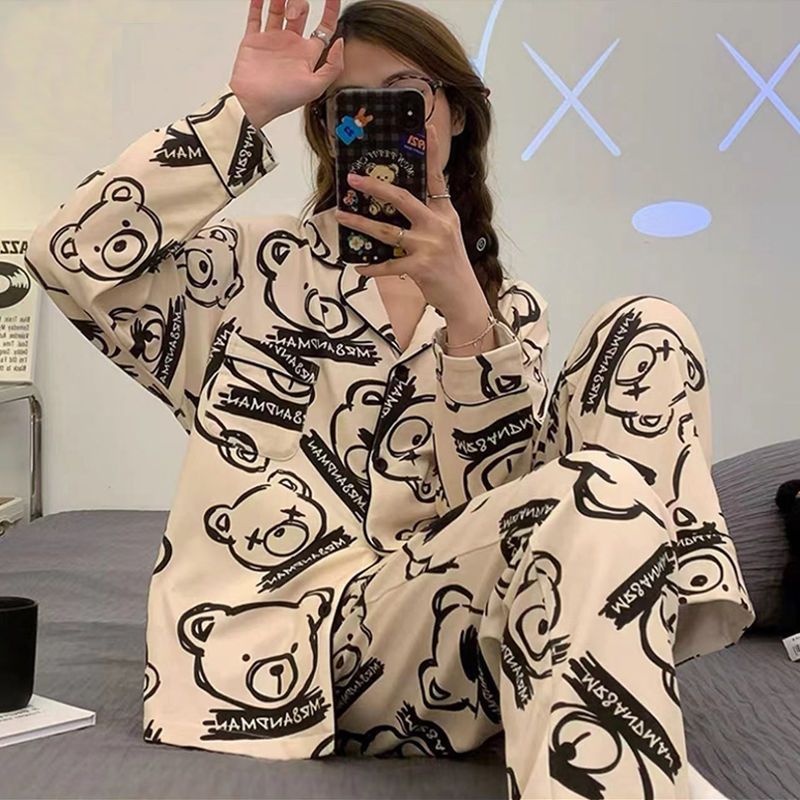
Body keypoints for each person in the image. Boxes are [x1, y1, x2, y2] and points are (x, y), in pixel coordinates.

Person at [25, 0, 755, 797]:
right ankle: (627, 707)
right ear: (326, 129)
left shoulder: (508, 314)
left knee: (647, 331)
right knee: (599, 492)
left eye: (405, 95)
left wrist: (467, 316)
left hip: (443, 639)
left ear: (455, 114)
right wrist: (245, 111)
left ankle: (627, 649)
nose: (377, 121)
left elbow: (504, 516)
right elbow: (65, 258)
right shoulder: (248, 269)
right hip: (271, 656)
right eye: (350, 106)